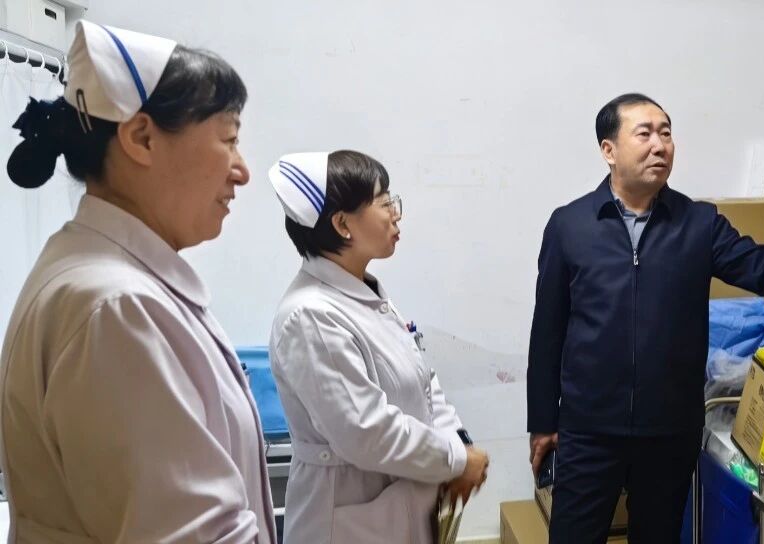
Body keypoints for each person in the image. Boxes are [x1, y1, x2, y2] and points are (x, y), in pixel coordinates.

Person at [527, 93, 764, 543]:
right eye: (644, 134)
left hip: (669, 431)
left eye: (666, 133)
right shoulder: (570, 226)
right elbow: (548, 330)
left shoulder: (698, 223)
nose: (660, 145)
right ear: (608, 150)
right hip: (589, 430)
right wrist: (543, 421)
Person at [0, 21, 274, 542]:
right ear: (141, 138)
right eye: (229, 139)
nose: (241, 170)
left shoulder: (105, 279)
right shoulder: (115, 307)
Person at [267, 151, 490, 543]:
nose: (396, 214)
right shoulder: (311, 316)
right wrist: (455, 460)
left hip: (398, 508)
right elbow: (366, 432)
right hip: (348, 521)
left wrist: (458, 441)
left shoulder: (365, 294)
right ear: (342, 224)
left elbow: (422, 381)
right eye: (384, 203)